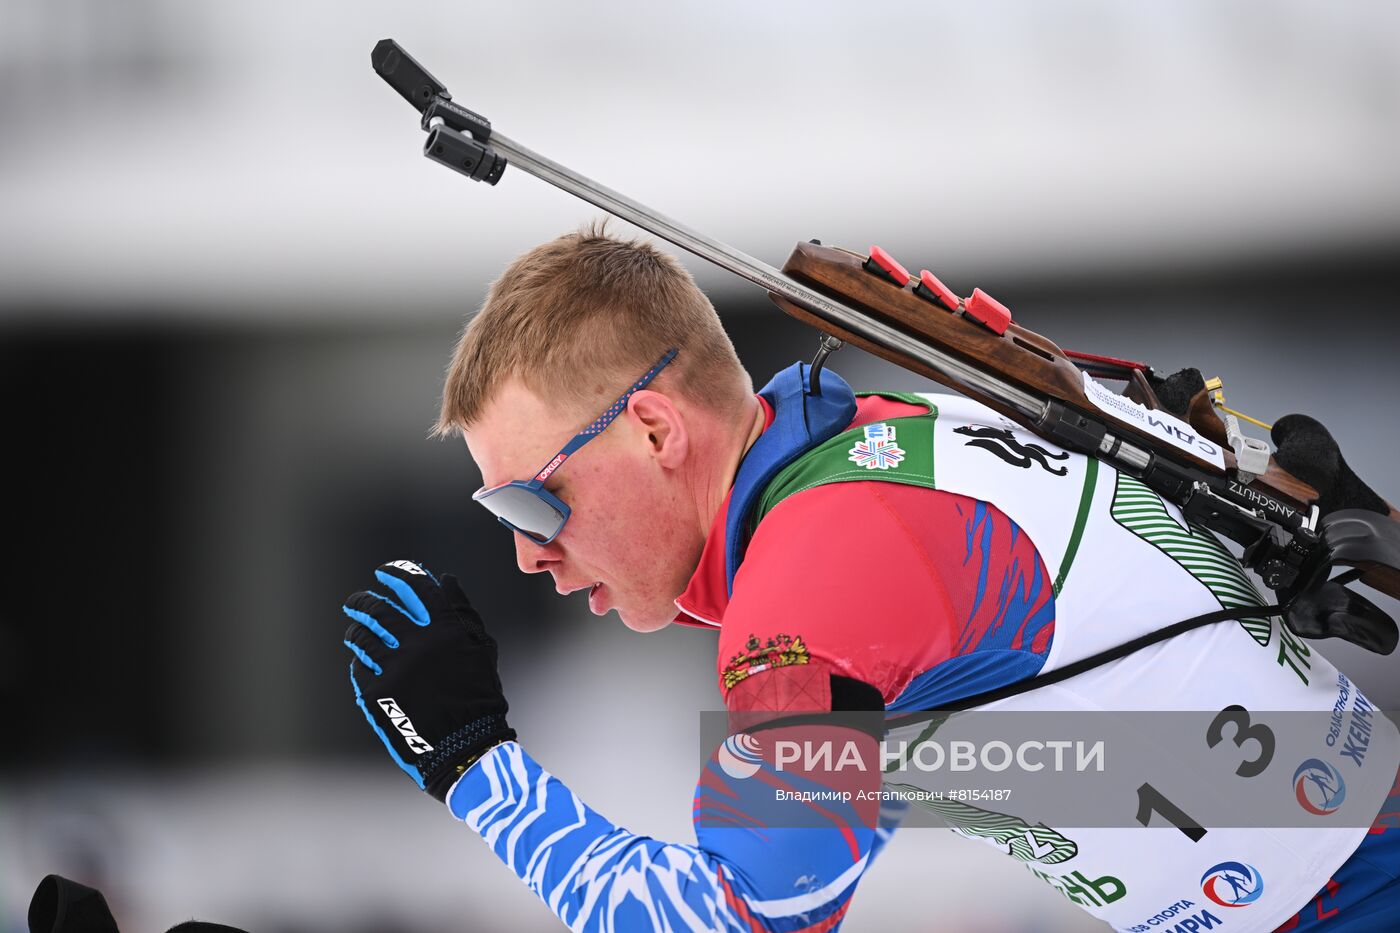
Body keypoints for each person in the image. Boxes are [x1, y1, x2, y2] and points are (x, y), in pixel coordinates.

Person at [340, 225, 1400, 932]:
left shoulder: (809, 592)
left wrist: (474, 769)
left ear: (655, 429)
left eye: (535, 500)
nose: (529, 552)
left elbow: (742, 918)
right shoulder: (896, 434)